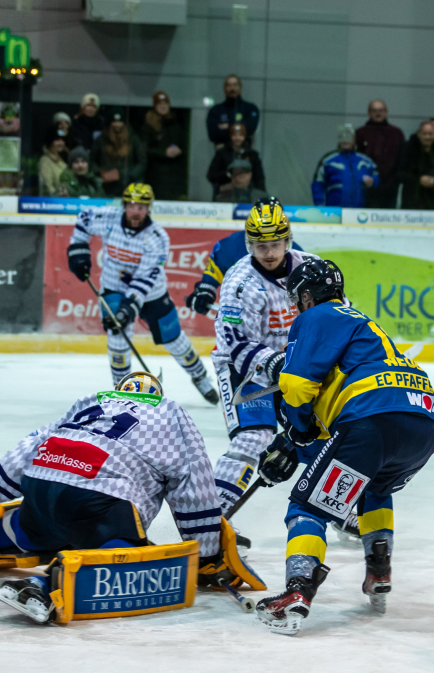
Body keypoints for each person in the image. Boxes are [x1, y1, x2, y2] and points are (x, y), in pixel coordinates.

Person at [0, 372, 264, 624]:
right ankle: (42, 586)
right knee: (124, 553)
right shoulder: (170, 411)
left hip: (41, 482)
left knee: (34, 523)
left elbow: (30, 445)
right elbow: (192, 482)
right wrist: (207, 551)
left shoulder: (91, 401)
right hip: (99, 499)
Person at [254, 259, 434, 635]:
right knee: (376, 488)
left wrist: (297, 430)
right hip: (423, 423)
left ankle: (298, 589)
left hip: (372, 422)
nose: (296, 307)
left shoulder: (316, 316)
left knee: (308, 506)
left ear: (307, 296)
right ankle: (379, 570)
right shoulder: (361, 321)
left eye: (297, 299)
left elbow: (297, 386)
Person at [210, 200, 319, 516]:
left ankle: (335, 508)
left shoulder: (311, 269)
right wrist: (277, 364)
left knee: (325, 437)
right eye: (260, 246)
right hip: (243, 370)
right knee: (253, 437)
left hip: (295, 369)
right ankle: (211, 517)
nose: (269, 253)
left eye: (275, 244)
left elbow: (339, 316)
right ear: (249, 244)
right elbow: (236, 342)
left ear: (288, 240)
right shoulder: (239, 282)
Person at [67, 183, 218, 403]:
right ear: (124, 206)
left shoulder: (157, 238)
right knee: (117, 333)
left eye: (141, 207)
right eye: (131, 206)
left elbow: (144, 279)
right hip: (113, 286)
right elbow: (83, 220)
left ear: (149, 208)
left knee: (174, 339)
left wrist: (129, 305)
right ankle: (121, 391)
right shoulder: (108, 218)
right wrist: (78, 250)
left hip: (151, 293)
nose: (136, 212)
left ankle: (200, 376)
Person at [184, 202, 304, 316]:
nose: (269, 253)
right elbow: (211, 278)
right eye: (262, 244)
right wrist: (205, 293)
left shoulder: (299, 259)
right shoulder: (231, 247)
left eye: (275, 243)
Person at [311, 124, 379, 208]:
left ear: (354, 139)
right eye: (342, 137)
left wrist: (373, 181)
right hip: (334, 210)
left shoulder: (365, 161)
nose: (345, 140)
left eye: (349, 137)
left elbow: (376, 177)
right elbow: (318, 183)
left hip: (359, 211)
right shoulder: (328, 161)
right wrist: (319, 204)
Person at [355, 99, 405, 209]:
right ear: (369, 113)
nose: (378, 113)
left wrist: (396, 179)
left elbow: (402, 158)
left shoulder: (396, 133)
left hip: (391, 186)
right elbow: (356, 159)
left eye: (381, 110)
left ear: (386, 112)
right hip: (367, 185)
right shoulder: (360, 133)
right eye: (374, 110)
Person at [141, 91, 187, 200]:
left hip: (174, 176)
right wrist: (163, 152)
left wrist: (179, 151)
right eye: (160, 104)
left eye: (165, 103)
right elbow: (144, 149)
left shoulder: (175, 124)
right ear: (155, 106)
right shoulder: (149, 126)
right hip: (156, 175)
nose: (163, 106)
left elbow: (184, 146)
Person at [399, 120, 434, 210]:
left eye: (430, 134)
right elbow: (399, 174)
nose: (428, 137)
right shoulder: (409, 149)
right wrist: (419, 180)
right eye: (424, 134)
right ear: (419, 134)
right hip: (413, 201)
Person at [91, 112, 146, 197]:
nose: (117, 125)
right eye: (114, 122)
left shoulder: (133, 139)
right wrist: (100, 173)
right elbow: (92, 160)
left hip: (129, 184)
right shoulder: (101, 140)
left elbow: (142, 162)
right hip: (107, 186)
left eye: (120, 122)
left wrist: (128, 175)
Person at [206, 122, 266, 199]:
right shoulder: (222, 154)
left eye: (240, 135)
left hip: (249, 194)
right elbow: (211, 175)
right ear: (230, 136)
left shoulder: (252, 155)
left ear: (245, 136)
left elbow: (259, 178)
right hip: (226, 194)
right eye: (234, 135)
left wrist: (262, 195)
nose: (237, 138)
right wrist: (229, 174)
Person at [206, 74, 260, 146]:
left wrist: (226, 126)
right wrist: (239, 127)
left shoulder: (250, 108)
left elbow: (250, 129)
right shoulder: (215, 110)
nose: (232, 88)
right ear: (224, 88)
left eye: (235, 85)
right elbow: (213, 135)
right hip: (222, 151)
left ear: (240, 87)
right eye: (229, 85)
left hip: (245, 150)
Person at [38, 131, 69, 197]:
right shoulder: (45, 161)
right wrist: (58, 196)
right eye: (57, 140)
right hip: (52, 201)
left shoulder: (61, 158)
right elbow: (47, 187)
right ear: (50, 141)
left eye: (62, 140)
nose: (61, 143)